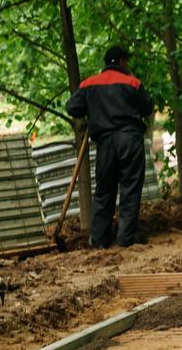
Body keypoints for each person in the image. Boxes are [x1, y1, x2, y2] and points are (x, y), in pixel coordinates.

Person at [65, 46, 154, 248]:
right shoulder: (132, 82)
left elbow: (72, 108)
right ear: (122, 62)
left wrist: (91, 107)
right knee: (130, 188)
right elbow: (147, 107)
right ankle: (125, 239)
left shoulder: (89, 83)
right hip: (129, 140)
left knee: (104, 190)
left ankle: (99, 240)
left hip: (105, 142)